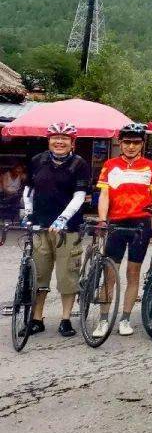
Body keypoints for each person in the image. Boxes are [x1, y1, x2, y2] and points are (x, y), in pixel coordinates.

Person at [19, 122, 89, 338]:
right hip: (41, 227)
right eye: (55, 137)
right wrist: (28, 213)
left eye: (65, 138)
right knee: (39, 276)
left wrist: (62, 219)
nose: (59, 141)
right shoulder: (37, 160)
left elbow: (79, 195)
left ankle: (65, 319)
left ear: (72, 142)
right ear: (49, 140)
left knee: (67, 276)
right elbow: (28, 189)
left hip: (67, 230)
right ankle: (37, 319)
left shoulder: (79, 164)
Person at [95, 123, 152, 337]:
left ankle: (125, 319)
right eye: (127, 142)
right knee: (110, 274)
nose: (131, 147)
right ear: (120, 143)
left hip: (141, 224)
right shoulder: (110, 164)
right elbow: (104, 195)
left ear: (142, 144)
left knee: (133, 273)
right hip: (116, 223)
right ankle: (103, 320)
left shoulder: (151, 166)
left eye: (136, 142)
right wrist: (102, 220)